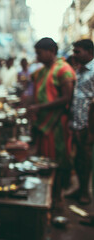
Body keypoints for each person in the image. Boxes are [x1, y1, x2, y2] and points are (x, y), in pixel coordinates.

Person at [28, 37, 76, 205]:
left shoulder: (63, 69)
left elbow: (66, 97)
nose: (37, 57)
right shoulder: (43, 70)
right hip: (43, 124)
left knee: (57, 160)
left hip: (57, 124)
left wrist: (39, 108)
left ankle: (57, 196)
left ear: (51, 52)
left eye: (40, 53)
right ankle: (47, 196)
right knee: (44, 161)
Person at [66, 39, 94, 204]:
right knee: (78, 158)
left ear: (89, 52)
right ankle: (80, 189)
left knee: (85, 158)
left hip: (87, 125)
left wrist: (91, 130)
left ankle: (85, 192)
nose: (74, 55)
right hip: (77, 123)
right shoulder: (80, 70)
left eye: (78, 52)